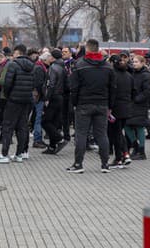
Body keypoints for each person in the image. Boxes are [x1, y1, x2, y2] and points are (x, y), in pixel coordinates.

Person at [66, 39, 116, 174]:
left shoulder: (79, 65)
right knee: (101, 134)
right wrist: (110, 105)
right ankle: (105, 164)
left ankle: (78, 164)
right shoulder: (107, 66)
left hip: (83, 104)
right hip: (102, 104)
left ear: (87, 49)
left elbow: (74, 87)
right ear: (98, 49)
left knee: (81, 134)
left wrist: (74, 103)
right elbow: (113, 88)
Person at [0, 44, 34, 164]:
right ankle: (19, 154)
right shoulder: (32, 66)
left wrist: (9, 95)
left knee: (8, 126)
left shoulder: (13, 65)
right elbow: (34, 83)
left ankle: (4, 154)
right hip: (26, 100)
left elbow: (7, 83)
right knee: (22, 127)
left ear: (17, 53)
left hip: (13, 100)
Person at [108, 52, 133, 168]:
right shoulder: (129, 75)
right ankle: (122, 156)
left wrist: (109, 108)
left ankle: (122, 156)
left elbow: (112, 93)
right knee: (119, 132)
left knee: (116, 133)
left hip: (115, 109)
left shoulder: (113, 75)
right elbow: (133, 92)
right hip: (127, 108)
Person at [41, 50, 68, 155]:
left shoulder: (53, 68)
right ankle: (52, 146)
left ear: (53, 58)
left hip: (53, 97)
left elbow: (51, 84)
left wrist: (47, 98)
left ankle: (59, 139)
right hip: (61, 97)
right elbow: (66, 84)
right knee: (54, 122)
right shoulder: (63, 67)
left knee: (45, 121)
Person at [127, 55, 150, 160]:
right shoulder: (132, 73)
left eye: (137, 62)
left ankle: (141, 151)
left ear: (142, 63)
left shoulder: (145, 75)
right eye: (133, 62)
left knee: (139, 127)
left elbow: (148, 91)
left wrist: (137, 99)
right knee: (127, 125)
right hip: (131, 104)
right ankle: (135, 146)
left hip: (140, 104)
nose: (134, 63)